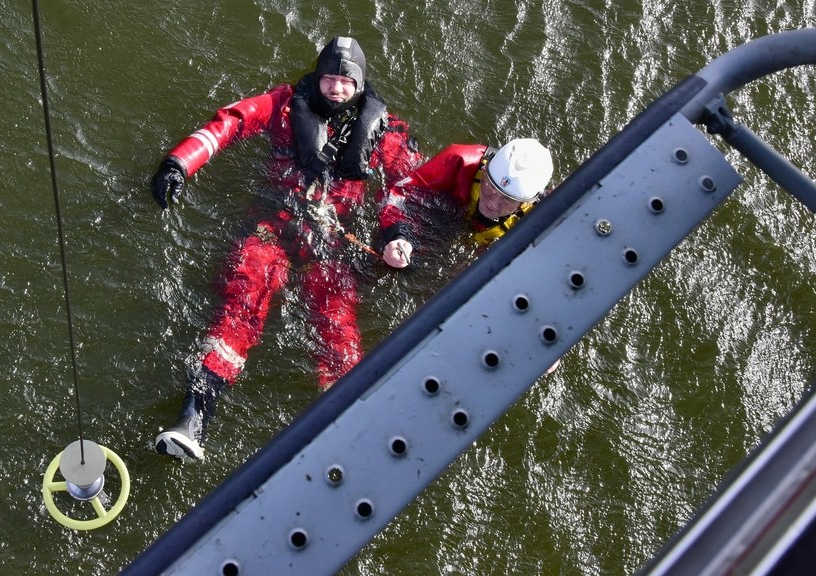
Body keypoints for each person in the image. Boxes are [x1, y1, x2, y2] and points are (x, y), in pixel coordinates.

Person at [149, 36, 421, 461]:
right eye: (328, 78)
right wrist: (179, 163)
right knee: (242, 303)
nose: (335, 88)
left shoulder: (386, 129)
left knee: (339, 329)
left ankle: (351, 434)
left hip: (331, 243)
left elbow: (407, 185)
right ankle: (193, 418)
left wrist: (397, 236)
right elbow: (230, 123)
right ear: (317, 77)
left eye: (345, 82)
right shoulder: (284, 105)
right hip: (273, 226)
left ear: (360, 85)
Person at [376, 138, 554, 269]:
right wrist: (399, 236)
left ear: (528, 202)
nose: (493, 203)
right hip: (445, 212)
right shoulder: (459, 160)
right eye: (490, 188)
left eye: (507, 199)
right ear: (484, 171)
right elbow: (398, 193)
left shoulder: (543, 212)